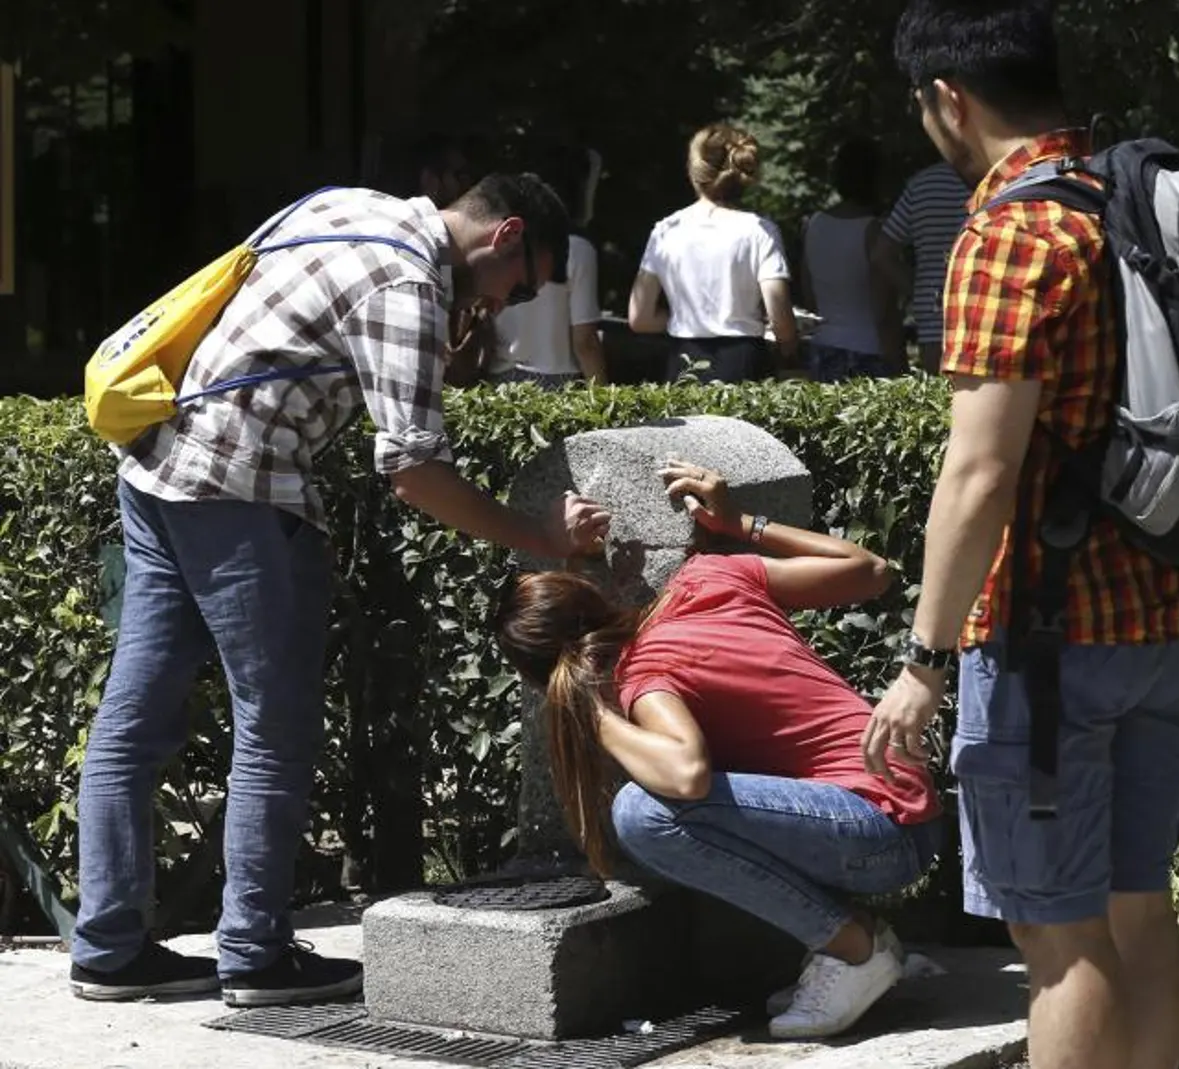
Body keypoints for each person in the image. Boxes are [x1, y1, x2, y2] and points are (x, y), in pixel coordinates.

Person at [69, 177, 614, 1008]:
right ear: (505, 235)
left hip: (155, 463)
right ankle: (253, 953)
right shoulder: (408, 286)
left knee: (133, 720)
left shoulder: (347, 206)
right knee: (274, 725)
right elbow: (415, 473)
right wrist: (543, 537)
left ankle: (107, 949)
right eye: (524, 285)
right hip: (242, 490)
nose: (512, 303)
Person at [866, 4, 1179, 1068]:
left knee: (1059, 945)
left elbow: (980, 470)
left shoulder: (1011, 231)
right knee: (1137, 908)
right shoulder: (1132, 202)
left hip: (1049, 644)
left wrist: (923, 661)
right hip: (1171, 614)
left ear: (948, 102)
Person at [495, 459, 942, 1039]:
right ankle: (855, 940)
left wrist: (592, 712)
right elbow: (871, 570)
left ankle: (854, 950)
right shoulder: (706, 577)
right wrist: (740, 522)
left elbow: (686, 777)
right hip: (903, 812)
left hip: (879, 833)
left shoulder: (647, 677)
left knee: (643, 813)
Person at [628, 125, 798, 383]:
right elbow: (781, 321)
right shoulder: (760, 231)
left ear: (694, 171)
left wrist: (683, 317)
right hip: (744, 360)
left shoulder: (666, 231)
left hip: (683, 359)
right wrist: (788, 345)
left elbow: (640, 319)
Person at [491, 150, 607, 388]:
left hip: (496, 378)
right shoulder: (577, 248)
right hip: (556, 381)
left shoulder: (502, 241)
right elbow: (584, 341)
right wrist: (605, 398)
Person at [802, 137, 904, 381]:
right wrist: (899, 363)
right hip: (868, 352)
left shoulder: (813, 225)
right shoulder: (875, 231)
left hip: (823, 348)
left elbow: (808, 295)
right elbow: (884, 310)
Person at [871, 161, 972, 374]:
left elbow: (882, 254)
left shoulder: (921, 185)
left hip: (932, 317)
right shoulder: (996, 178)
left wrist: (917, 290)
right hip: (983, 311)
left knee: (939, 400)